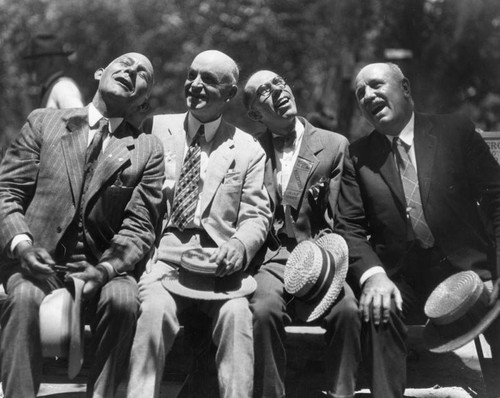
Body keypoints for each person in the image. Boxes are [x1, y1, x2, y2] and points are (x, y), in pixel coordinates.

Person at [0, 52, 165, 398]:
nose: (131, 72)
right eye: (124, 64)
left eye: (142, 75)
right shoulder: (44, 122)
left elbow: (140, 227)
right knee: (23, 298)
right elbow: (7, 192)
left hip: (102, 271)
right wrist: (23, 246)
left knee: (123, 299)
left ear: (143, 100)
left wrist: (104, 270)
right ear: (99, 72)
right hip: (36, 264)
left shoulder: (147, 149)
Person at [335, 62, 500, 397]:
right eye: (360, 93)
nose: (368, 95)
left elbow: (497, 199)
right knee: (379, 306)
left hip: (471, 272)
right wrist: (375, 277)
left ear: (405, 88)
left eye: (376, 85)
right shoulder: (358, 156)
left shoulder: (454, 131)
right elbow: (349, 227)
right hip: (403, 279)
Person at [126, 50, 272, 398]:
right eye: (192, 75)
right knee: (153, 313)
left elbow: (256, 215)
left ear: (230, 93)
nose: (195, 85)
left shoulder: (248, 149)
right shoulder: (155, 128)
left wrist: (239, 246)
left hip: (219, 267)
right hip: (164, 256)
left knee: (237, 318)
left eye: (208, 80)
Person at [243, 70, 361, 398]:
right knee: (263, 312)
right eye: (265, 92)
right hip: (271, 259)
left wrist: (332, 258)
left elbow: (341, 217)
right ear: (255, 114)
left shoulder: (334, 144)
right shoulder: (248, 149)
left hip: (321, 258)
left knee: (349, 312)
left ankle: (341, 394)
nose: (278, 91)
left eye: (280, 82)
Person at [24, 32, 84, 109]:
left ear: (50, 61)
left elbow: (79, 117)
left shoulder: (62, 87)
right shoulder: (54, 88)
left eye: (36, 61)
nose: (33, 67)